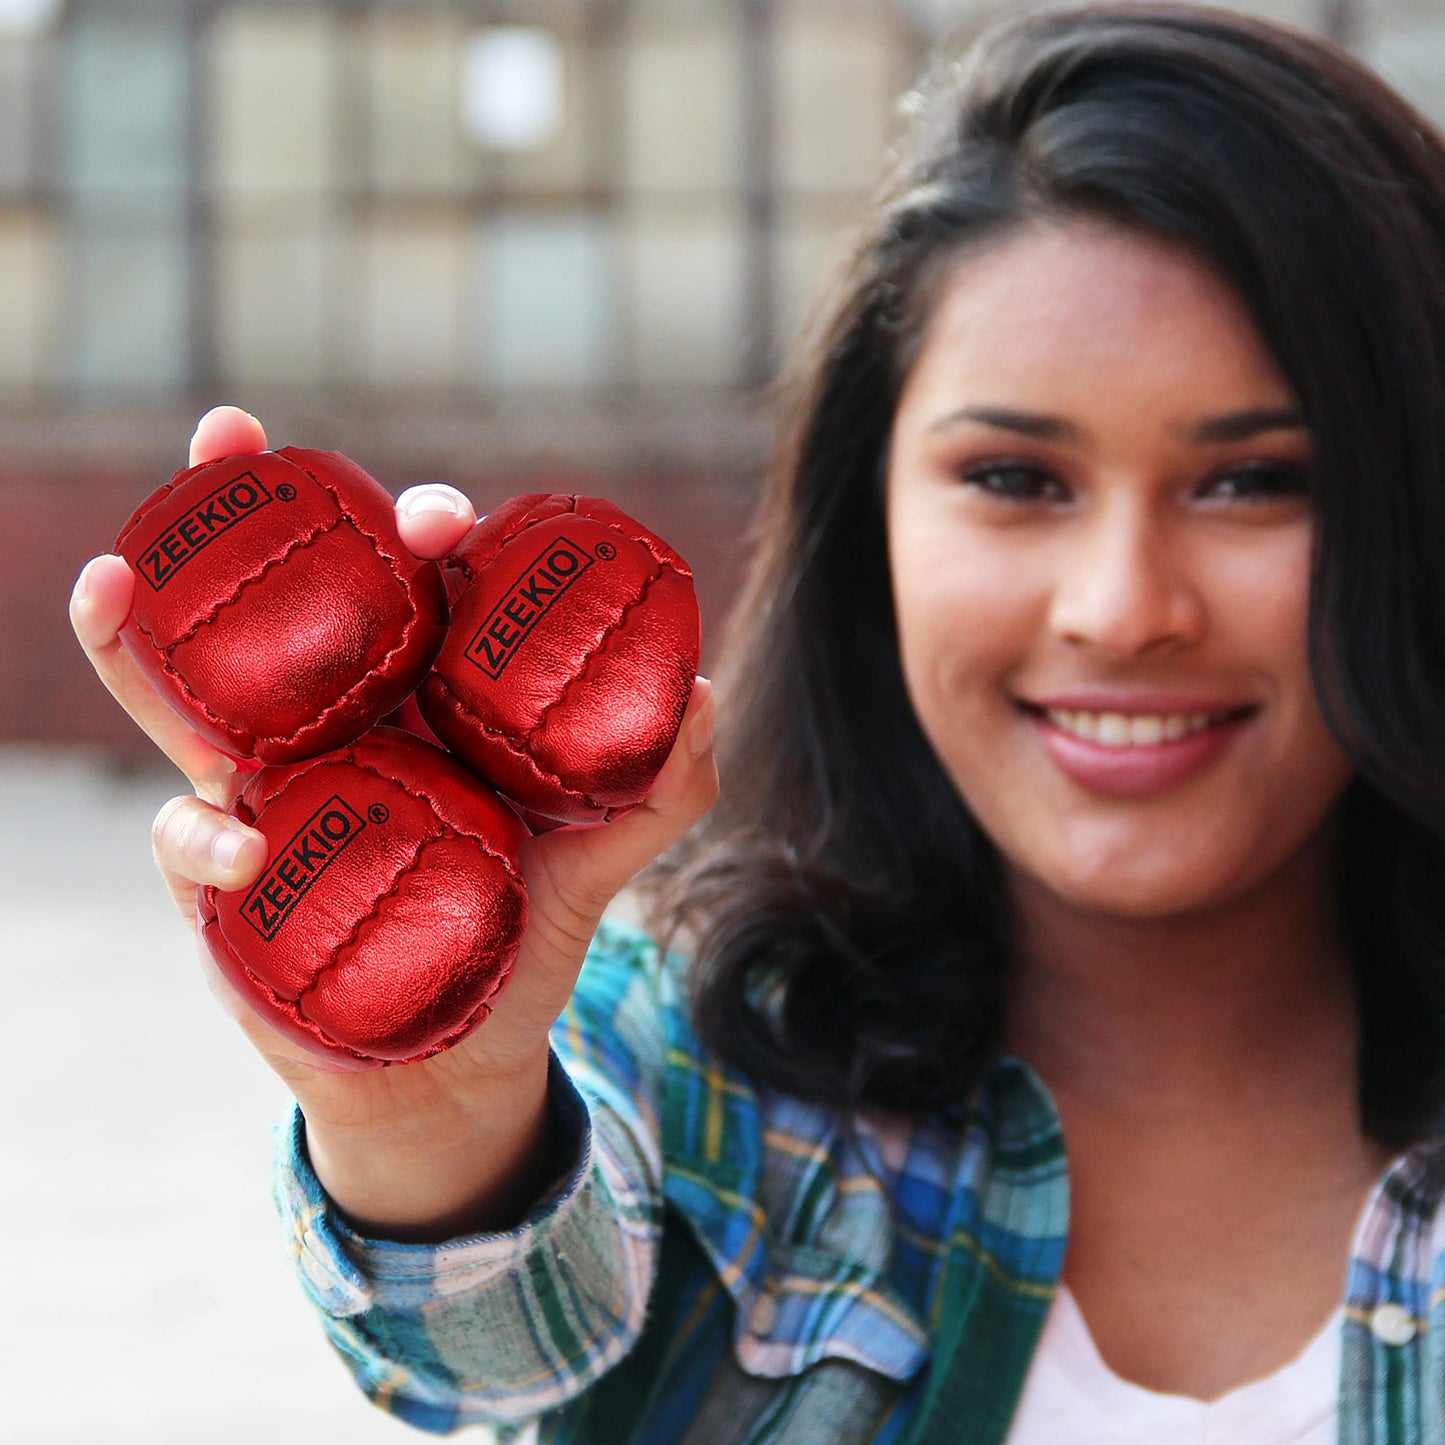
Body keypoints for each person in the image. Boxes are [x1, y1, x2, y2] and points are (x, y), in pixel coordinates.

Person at [70, 2, 1445, 1440]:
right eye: (1014, 479)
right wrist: (425, 1110)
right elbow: (488, 1341)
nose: (1119, 605)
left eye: (1246, 483)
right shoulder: (697, 1066)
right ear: (873, 525)